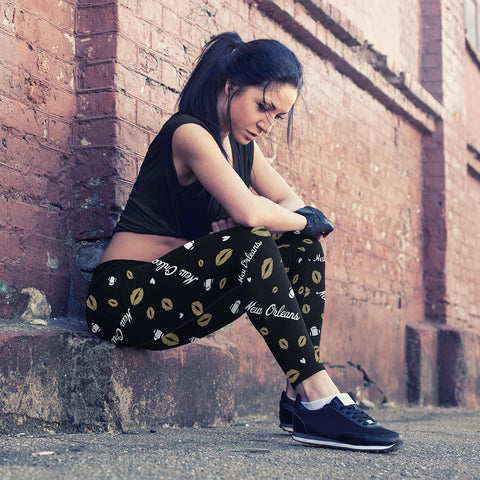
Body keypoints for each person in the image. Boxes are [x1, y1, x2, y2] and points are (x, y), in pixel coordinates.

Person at [85, 32, 402, 453]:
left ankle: (298, 399)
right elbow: (260, 214)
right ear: (230, 85)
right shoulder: (189, 133)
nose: (266, 123)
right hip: (121, 300)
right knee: (254, 239)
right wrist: (286, 219)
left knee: (303, 247)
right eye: (263, 106)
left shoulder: (241, 147)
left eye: (277, 116)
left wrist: (286, 221)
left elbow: (290, 203)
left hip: (173, 306)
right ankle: (320, 392)